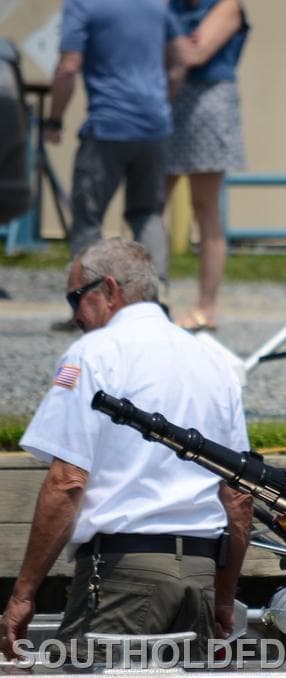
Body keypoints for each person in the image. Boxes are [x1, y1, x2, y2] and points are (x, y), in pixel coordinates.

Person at [0, 238, 253, 665]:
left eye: (76, 298)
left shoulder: (94, 353)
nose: (75, 315)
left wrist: (24, 594)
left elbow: (67, 482)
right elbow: (239, 497)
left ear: (110, 290)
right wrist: (223, 595)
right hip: (199, 578)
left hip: (121, 577)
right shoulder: (214, 362)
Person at [47, 0, 187, 332]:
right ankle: (156, 300)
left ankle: (86, 308)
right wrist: (159, 102)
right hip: (154, 127)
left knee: (88, 216)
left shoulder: (83, 5)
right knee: (148, 213)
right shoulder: (158, 4)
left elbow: (68, 67)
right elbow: (180, 60)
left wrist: (53, 119)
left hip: (107, 125)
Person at [166, 0, 250, 332]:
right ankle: (147, 301)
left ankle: (206, 306)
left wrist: (163, 42)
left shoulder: (227, 5)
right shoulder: (168, 6)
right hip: (167, 99)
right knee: (150, 204)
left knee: (205, 206)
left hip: (209, 103)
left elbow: (195, 54)